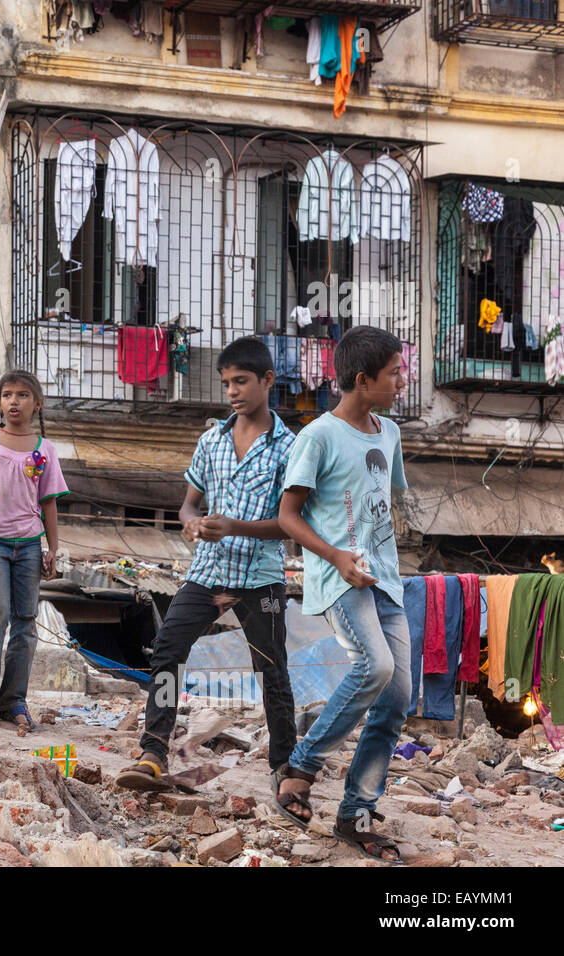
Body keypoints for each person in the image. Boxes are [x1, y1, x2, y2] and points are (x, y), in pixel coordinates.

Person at [115, 336, 298, 794]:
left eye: (241, 381)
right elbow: (187, 506)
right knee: (166, 650)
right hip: (208, 572)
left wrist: (235, 525)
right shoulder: (211, 439)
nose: (233, 391)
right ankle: (154, 749)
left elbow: (292, 525)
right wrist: (193, 524)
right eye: (226, 383)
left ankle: (285, 767)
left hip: (261, 578)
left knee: (271, 669)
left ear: (267, 381)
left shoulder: (290, 448)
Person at [276, 325, 409, 864]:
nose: (402, 381)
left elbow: (383, 498)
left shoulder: (390, 433)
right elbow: (289, 515)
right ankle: (300, 766)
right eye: (394, 374)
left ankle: (356, 810)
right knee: (373, 667)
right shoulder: (318, 437)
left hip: (387, 582)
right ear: (362, 380)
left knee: (398, 699)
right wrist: (336, 556)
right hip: (339, 579)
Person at [0, 370, 67, 734]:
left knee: (26, 623)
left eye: (22, 395)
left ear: (36, 404)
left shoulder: (45, 450)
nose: (13, 402)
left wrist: (53, 550)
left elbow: (49, 502)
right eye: (7, 395)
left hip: (28, 546)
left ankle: (13, 701)